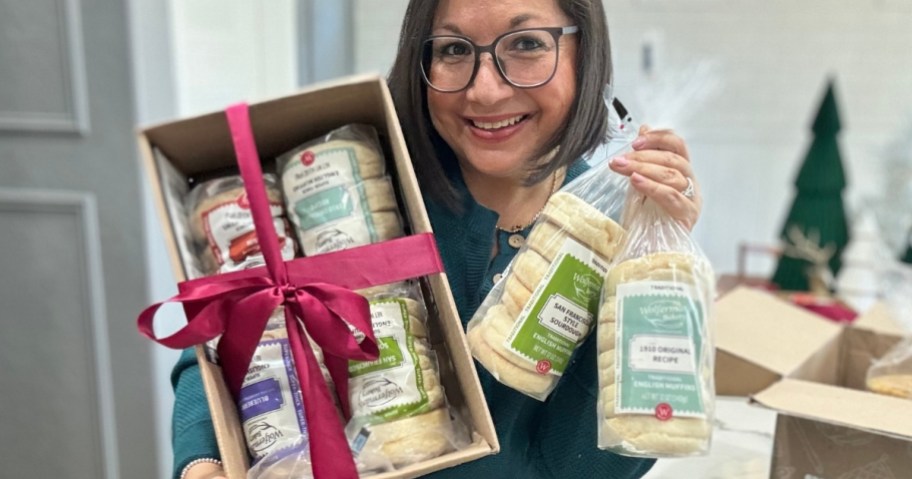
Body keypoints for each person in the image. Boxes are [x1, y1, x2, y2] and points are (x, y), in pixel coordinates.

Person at [172, 0, 702, 477]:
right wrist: (202, 461)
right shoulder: (363, 187)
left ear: (583, 53)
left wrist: (656, 273)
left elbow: (585, 466)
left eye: (525, 44)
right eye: (452, 49)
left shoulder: (608, 228)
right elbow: (234, 329)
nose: (485, 90)